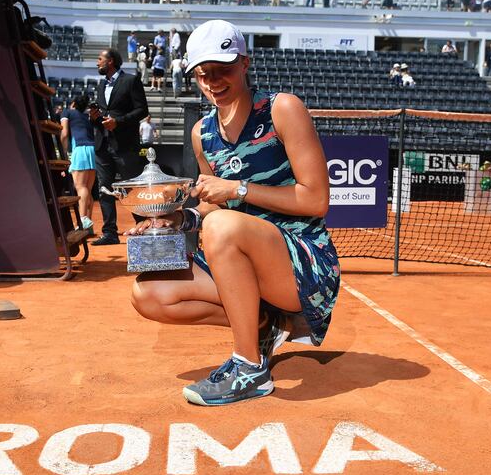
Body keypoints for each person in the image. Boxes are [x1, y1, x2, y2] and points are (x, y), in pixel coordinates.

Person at [129, 20, 340, 405]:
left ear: (244, 63)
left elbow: (315, 200)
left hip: (303, 262)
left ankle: (250, 368)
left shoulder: (282, 108)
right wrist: (176, 220)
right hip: (242, 258)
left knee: (225, 226)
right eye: (202, 73)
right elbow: (214, 204)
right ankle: (264, 324)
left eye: (223, 69)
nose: (213, 81)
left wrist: (239, 189)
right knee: (148, 293)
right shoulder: (202, 133)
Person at [92, 48, 149, 245]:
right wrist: (95, 118)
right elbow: (103, 114)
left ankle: (143, 227)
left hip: (125, 145)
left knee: (132, 188)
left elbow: (142, 110)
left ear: (111, 61)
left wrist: (119, 121)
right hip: (102, 144)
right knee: (104, 190)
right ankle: (109, 233)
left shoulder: (130, 81)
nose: (97, 62)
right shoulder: (100, 85)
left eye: (100, 59)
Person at [61, 95, 97, 235]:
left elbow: (64, 134)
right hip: (93, 151)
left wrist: (63, 152)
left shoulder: (67, 112)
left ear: (73, 103)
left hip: (80, 150)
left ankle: (83, 220)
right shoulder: (85, 117)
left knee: (81, 188)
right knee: (87, 189)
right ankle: (89, 225)